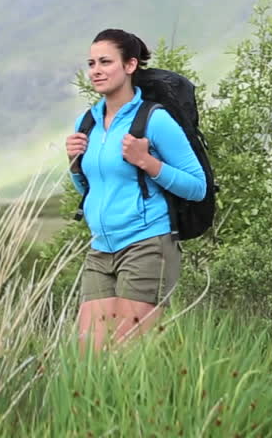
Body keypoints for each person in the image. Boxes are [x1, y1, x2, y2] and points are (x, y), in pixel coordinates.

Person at [64, 29, 206, 351]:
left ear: (130, 66)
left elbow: (198, 187)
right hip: (101, 249)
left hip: (147, 245)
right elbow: (87, 187)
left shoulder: (155, 120)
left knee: (128, 355)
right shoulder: (86, 123)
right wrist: (74, 161)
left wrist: (147, 162)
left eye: (105, 62)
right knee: (89, 354)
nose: (96, 70)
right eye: (91, 63)